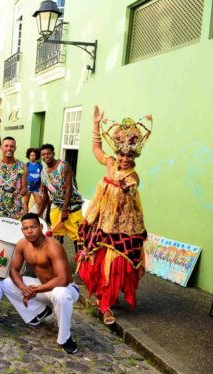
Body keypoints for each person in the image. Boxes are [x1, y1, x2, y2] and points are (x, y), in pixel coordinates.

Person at [76, 105, 151, 325]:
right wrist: (95, 124)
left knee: (117, 264)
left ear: (134, 156)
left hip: (122, 229)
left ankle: (106, 303)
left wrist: (123, 184)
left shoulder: (133, 176)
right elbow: (97, 149)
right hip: (100, 224)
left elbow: (130, 187)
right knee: (98, 262)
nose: (124, 158)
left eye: (129, 155)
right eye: (121, 153)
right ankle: (105, 302)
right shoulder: (110, 163)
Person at [1, 213, 80, 354]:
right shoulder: (22, 244)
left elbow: (63, 279)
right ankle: (40, 312)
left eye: (33, 227)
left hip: (67, 288)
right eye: (26, 228)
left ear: (41, 227)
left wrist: (35, 290)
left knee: (60, 294)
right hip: (43, 286)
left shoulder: (53, 246)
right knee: (7, 284)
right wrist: (23, 288)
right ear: (22, 230)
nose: (29, 231)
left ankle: (65, 338)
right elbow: (13, 269)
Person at [38, 143, 83, 248]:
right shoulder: (43, 173)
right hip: (56, 207)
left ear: (53, 153)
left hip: (72, 206)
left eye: (48, 153)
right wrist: (39, 213)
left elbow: (69, 188)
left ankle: (81, 262)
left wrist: (64, 209)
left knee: (79, 237)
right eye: (43, 155)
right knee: (55, 236)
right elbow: (45, 195)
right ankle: (57, 259)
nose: (46, 156)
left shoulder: (63, 166)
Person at [0, 136, 27, 219]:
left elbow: (24, 189)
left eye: (12, 146)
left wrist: (21, 193)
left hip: (16, 211)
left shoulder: (22, 166)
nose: (9, 148)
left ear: (15, 148)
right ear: (1, 147)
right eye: (6, 146)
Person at [24, 147, 43, 213]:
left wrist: (41, 188)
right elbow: (23, 176)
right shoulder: (26, 165)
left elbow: (42, 177)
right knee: (26, 202)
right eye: (31, 155)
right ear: (28, 156)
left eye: (34, 155)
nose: (32, 157)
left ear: (36, 156)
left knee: (40, 203)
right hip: (28, 186)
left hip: (36, 187)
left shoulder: (39, 165)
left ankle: (39, 218)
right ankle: (25, 217)